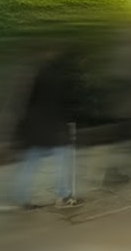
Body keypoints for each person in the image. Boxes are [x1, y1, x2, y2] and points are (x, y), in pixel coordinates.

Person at [12, 48, 81, 209]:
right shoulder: (62, 77)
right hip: (53, 126)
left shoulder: (37, 74)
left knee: (30, 162)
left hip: (33, 126)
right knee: (62, 158)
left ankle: (21, 198)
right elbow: (65, 102)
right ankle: (63, 195)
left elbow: (27, 100)